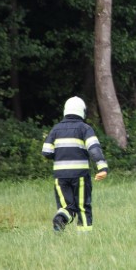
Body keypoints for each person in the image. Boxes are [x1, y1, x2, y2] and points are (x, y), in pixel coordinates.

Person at [41, 96, 109, 232]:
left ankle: (60, 219)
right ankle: (84, 237)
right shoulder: (85, 128)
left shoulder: (56, 129)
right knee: (83, 206)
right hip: (80, 175)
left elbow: (46, 151)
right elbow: (94, 149)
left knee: (67, 206)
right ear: (82, 111)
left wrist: (61, 155)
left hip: (60, 176)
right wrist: (102, 167)